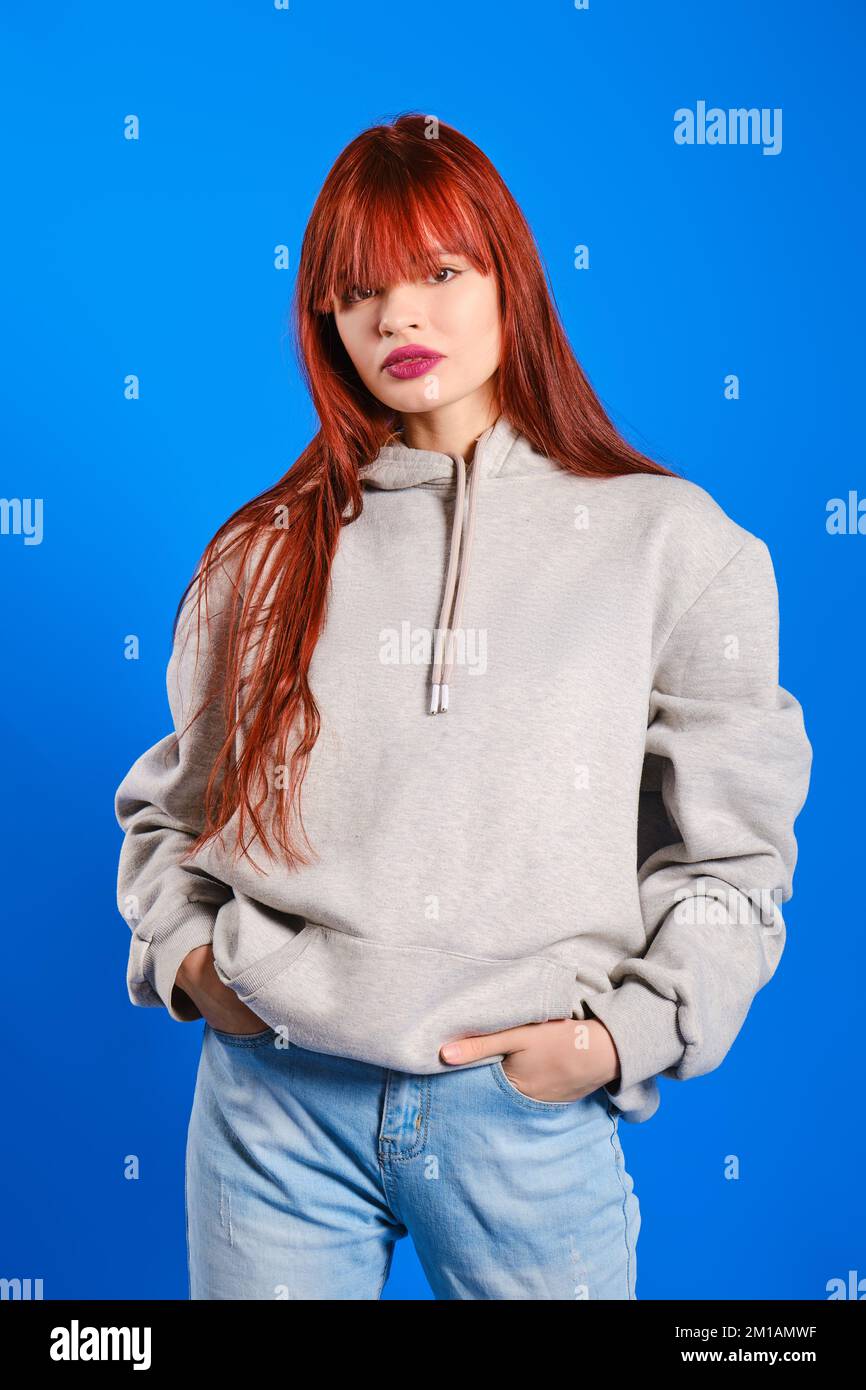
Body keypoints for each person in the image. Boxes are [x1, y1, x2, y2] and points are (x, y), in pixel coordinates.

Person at [113, 113, 813, 1301]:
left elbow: (732, 863)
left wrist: (612, 1043)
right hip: (271, 1110)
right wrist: (189, 961)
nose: (399, 318)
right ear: (324, 320)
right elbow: (170, 810)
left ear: (510, 278)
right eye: (358, 289)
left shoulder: (673, 547)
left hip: (519, 1121)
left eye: (439, 271)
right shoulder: (261, 556)